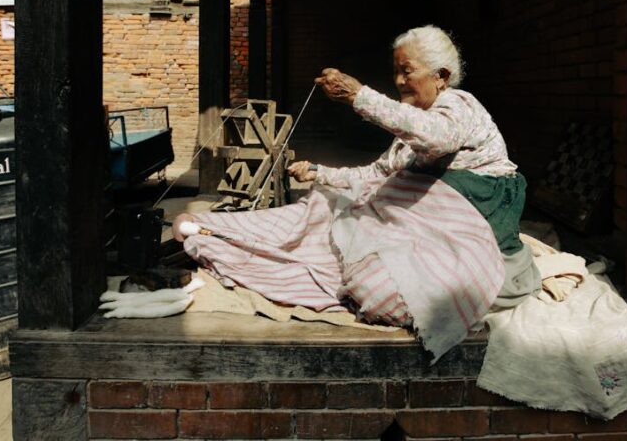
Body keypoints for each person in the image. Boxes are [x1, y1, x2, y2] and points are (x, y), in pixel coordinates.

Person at [174, 25, 540, 362]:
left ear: (441, 76)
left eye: (407, 71)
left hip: (462, 240)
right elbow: (375, 175)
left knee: (376, 289)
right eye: (396, 71)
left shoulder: (459, 107)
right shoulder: (410, 134)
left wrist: (358, 96)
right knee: (320, 206)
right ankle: (215, 228)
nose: (399, 81)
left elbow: (437, 137)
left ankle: (331, 260)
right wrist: (319, 172)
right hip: (417, 229)